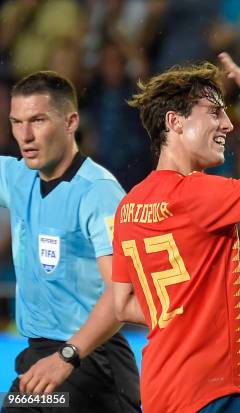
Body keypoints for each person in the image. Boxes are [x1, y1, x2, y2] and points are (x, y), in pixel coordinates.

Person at [111, 53, 240, 413]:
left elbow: (123, 304)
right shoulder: (197, 192)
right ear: (175, 122)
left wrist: (213, 311)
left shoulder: (129, 206)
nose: (228, 125)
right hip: (218, 389)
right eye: (214, 112)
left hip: (160, 391)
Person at [1, 71, 140, 412]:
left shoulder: (99, 192)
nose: (25, 135)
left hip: (91, 359)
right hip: (37, 358)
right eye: (17, 122)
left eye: (37, 120)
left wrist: (68, 355)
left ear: (70, 121)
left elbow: (120, 294)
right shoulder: (18, 177)